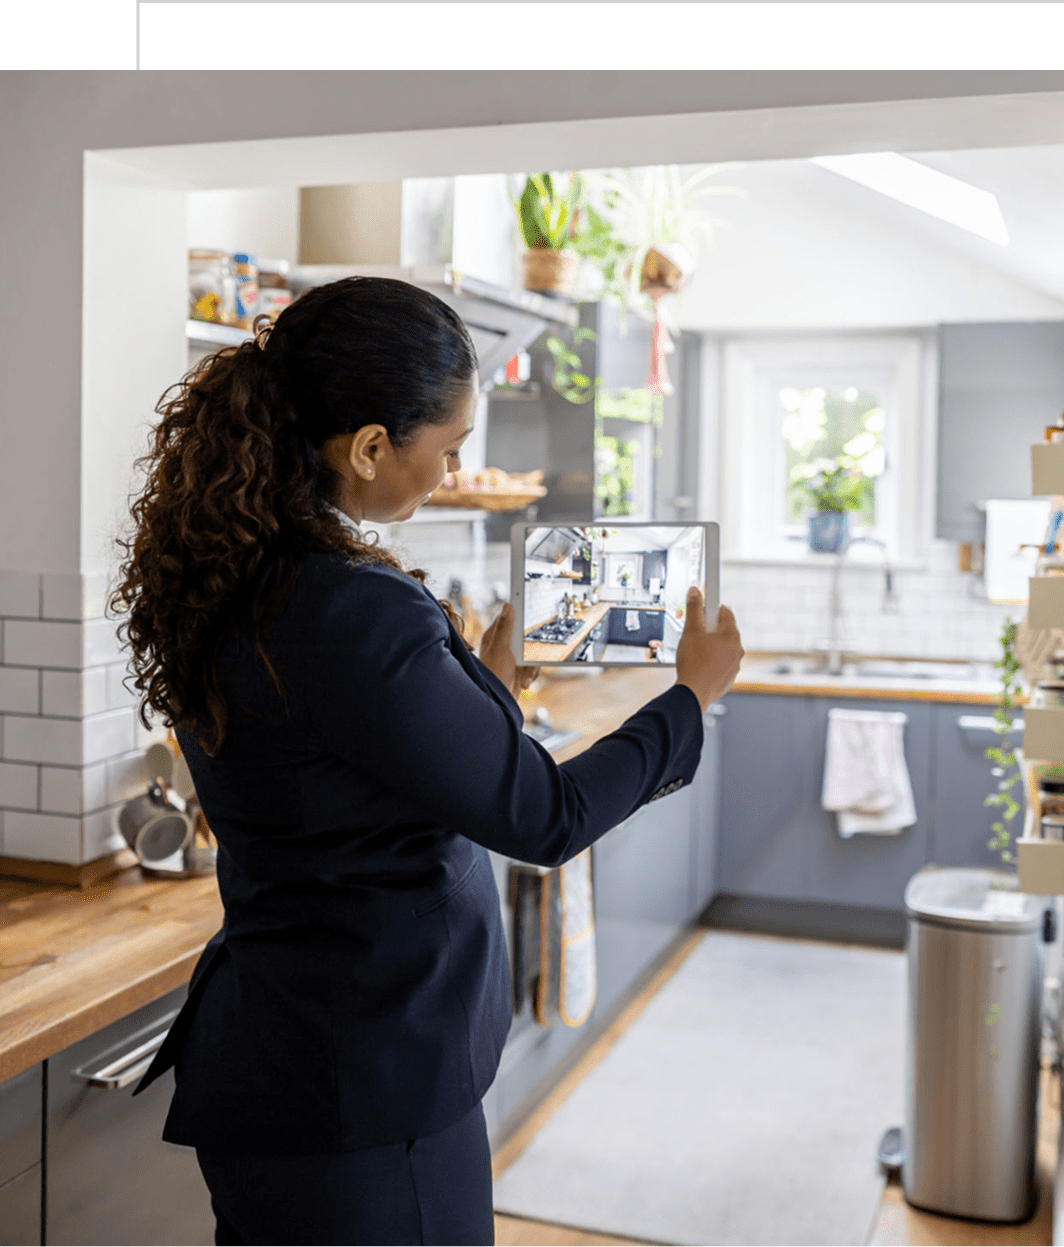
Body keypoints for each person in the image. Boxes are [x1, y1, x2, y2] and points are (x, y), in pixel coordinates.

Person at [115, 276, 743, 1246]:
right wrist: (690, 696)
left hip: (277, 1071)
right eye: (447, 448)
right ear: (369, 446)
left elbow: (350, 766)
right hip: (369, 1094)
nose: (452, 471)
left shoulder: (235, 574)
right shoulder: (354, 608)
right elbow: (550, 813)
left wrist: (488, 683)